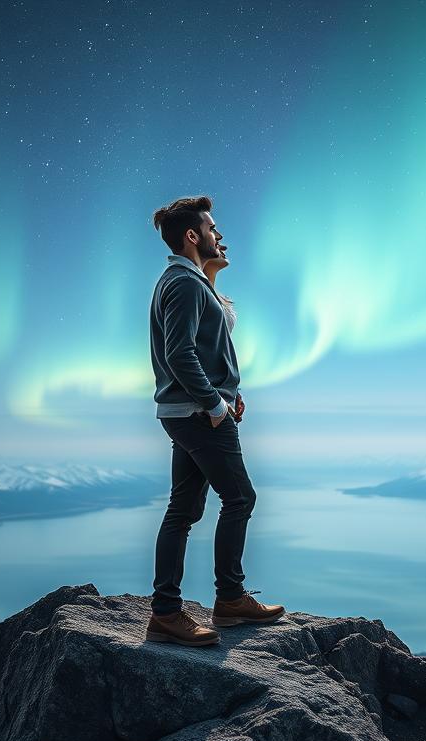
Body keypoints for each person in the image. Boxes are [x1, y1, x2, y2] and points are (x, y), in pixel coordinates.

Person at [144, 195, 285, 647]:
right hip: (198, 414)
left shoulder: (189, 281)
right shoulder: (183, 284)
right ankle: (228, 599)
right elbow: (179, 353)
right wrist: (215, 405)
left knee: (184, 510)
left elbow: (207, 346)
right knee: (240, 497)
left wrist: (229, 393)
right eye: (211, 228)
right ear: (192, 235)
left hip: (188, 411)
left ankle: (169, 611)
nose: (218, 234)